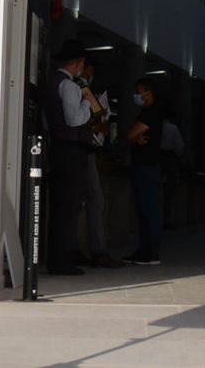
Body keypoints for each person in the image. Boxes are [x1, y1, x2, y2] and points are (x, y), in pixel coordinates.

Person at [37, 41, 94, 276]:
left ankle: (58, 258)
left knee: (60, 206)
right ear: (79, 64)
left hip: (57, 146)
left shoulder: (51, 83)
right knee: (68, 207)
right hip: (70, 149)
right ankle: (62, 261)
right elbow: (74, 119)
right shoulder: (69, 86)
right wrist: (87, 104)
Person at [75, 57, 122, 268]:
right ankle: (97, 250)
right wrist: (97, 128)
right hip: (83, 150)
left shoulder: (85, 90)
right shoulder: (79, 89)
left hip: (84, 150)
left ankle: (85, 249)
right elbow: (84, 121)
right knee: (95, 199)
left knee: (86, 201)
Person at [121, 77, 165, 266]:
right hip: (148, 165)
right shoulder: (150, 112)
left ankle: (149, 252)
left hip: (146, 166)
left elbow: (129, 134)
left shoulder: (150, 113)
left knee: (147, 209)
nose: (136, 95)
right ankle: (144, 250)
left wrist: (132, 138)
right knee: (146, 209)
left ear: (148, 92)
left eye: (139, 91)